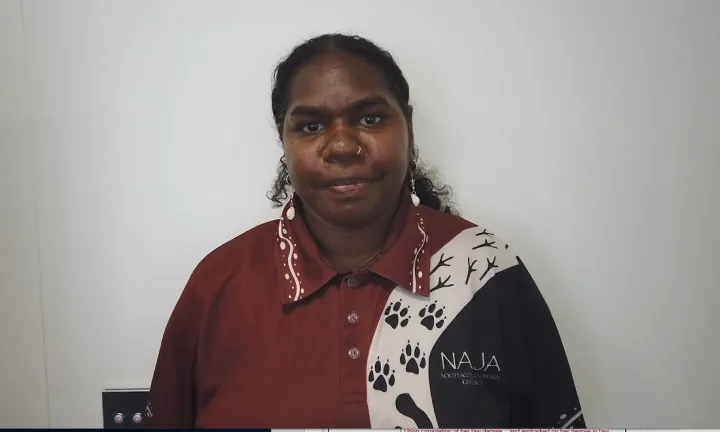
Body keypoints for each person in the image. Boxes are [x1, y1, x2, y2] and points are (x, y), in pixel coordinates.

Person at [146, 33, 585, 429]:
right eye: (312, 126)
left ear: (407, 126)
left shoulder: (485, 269)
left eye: (371, 119)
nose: (342, 146)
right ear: (283, 139)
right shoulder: (219, 283)